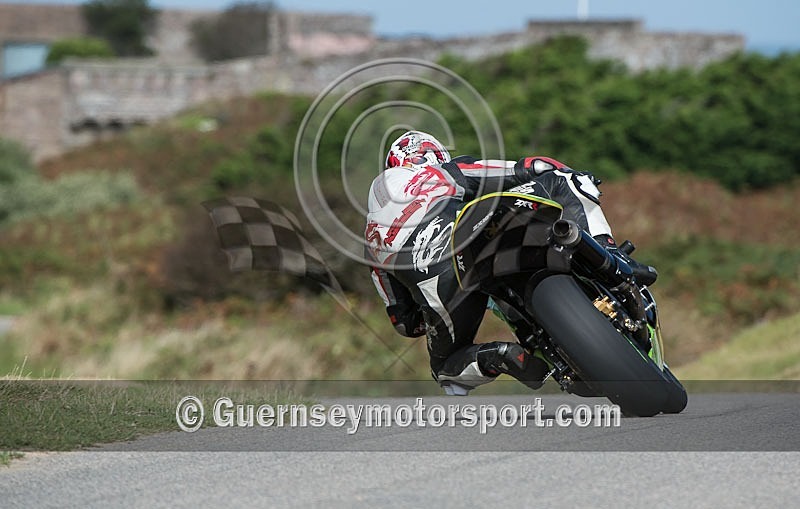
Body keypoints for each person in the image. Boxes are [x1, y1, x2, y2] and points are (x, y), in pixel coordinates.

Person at [365, 130, 656, 395]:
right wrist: (544, 168)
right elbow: (529, 168)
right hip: (464, 235)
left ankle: (499, 357)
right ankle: (612, 256)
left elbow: (404, 323)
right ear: (434, 157)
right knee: (564, 180)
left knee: (444, 369)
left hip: (436, 285)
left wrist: (429, 316)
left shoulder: (371, 240)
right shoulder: (440, 172)